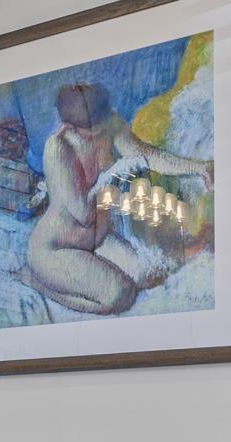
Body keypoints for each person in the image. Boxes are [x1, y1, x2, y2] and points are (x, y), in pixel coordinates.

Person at [21, 81, 211, 315]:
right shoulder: (58, 148)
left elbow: (148, 155)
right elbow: (82, 214)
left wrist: (200, 167)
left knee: (147, 275)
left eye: (101, 123)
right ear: (70, 127)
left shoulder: (109, 122)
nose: (99, 131)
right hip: (57, 249)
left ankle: (67, 276)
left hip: (98, 241)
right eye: (91, 128)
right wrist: (111, 174)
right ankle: (37, 281)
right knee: (120, 295)